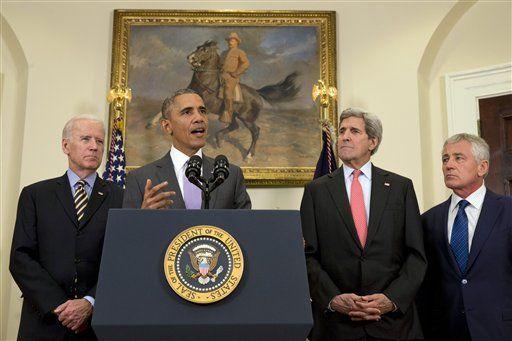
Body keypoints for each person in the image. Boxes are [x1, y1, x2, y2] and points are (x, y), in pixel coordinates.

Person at [301, 108, 426, 340]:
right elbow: (307, 256)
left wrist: (391, 300)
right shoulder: (316, 191)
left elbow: (416, 255)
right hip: (336, 327)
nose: (344, 136)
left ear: (372, 142)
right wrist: (333, 299)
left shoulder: (400, 188)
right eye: (341, 131)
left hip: (393, 325)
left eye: (354, 131)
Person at [9, 115, 124, 340]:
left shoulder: (121, 197)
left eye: (99, 141)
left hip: (96, 325)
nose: (94, 146)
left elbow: (123, 259)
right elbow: (20, 258)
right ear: (65, 146)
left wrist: (90, 302)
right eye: (85, 139)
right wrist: (61, 307)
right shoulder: (35, 195)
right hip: (44, 321)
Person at [419, 133, 512, 341]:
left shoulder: (508, 211)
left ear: (482, 167)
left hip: (500, 330)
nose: (448, 165)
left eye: (458, 158)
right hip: (444, 331)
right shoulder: (427, 221)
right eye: (445, 159)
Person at [123, 88, 251, 210]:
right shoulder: (140, 179)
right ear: (167, 126)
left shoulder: (231, 176)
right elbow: (127, 231)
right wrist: (141, 217)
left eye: (202, 111)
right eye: (187, 112)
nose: (199, 118)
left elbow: (246, 228)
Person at [219, 32, 250, 124]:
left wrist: (236, 73)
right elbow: (219, 64)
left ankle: (228, 115)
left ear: (237, 42)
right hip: (221, 74)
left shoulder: (239, 52)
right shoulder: (224, 53)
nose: (230, 42)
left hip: (231, 77)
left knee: (228, 93)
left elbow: (246, 64)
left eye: (232, 40)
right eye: (229, 40)